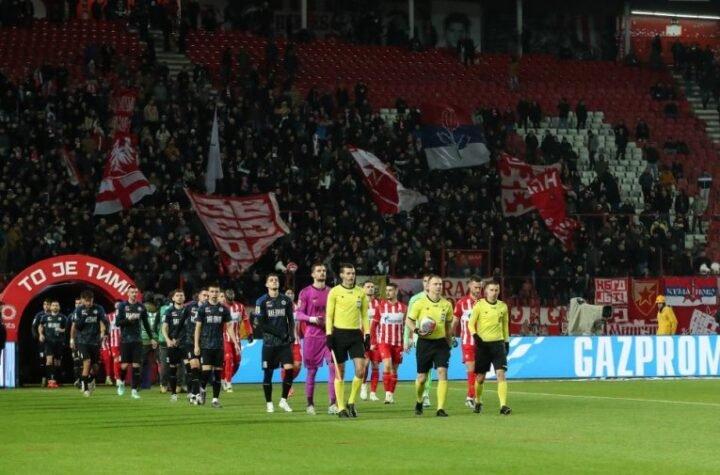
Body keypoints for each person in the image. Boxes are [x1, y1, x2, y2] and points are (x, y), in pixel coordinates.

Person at [325, 263, 370, 418]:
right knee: (340, 372)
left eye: (353, 273)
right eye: (348, 273)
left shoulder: (360, 292)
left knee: (360, 369)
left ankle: (351, 401)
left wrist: (368, 334)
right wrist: (329, 334)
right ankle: (341, 407)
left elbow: (364, 315)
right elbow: (329, 315)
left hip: (355, 335)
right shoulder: (335, 292)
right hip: (338, 334)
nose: (351, 276)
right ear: (342, 275)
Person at [407, 275, 453, 417]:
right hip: (424, 343)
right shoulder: (419, 303)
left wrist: (449, 342)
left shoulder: (447, 305)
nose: (438, 286)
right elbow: (409, 321)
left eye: (440, 284)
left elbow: (448, 325)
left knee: (442, 372)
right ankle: (419, 400)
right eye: (435, 284)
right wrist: (417, 331)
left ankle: (440, 408)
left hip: (440, 343)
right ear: (428, 286)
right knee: (422, 378)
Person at [294, 263, 338, 415]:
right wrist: (313, 319)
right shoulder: (305, 292)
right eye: (319, 271)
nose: (322, 273)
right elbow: (298, 314)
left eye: (324, 271)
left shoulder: (332, 292)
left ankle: (333, 403)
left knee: (333, 368)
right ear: (313, 274)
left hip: (330, 336)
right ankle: (310, 403)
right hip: (312, 337)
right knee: (312, 371)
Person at [469, 280, 511, 415]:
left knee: (501, 374)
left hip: (498, 344)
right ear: (486, 291)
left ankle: (503, 405)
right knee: (480, 378)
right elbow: (471, 324)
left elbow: (505, 326)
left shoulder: (503, 307)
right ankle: (479, 400)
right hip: (483, 345)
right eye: (492, 290)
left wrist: (506, 342)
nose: (494, 293)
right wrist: (476, 336)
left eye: (496, 290)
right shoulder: (479, 305)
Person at [194, 284, 240, 409]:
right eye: (212, 291)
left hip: (219, 345)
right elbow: (198, 328)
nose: (214, 294)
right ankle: (202, 390)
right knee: (206, 372)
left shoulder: (223, 309)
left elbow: (229, 327)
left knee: (218, 373)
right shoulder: (203, 309)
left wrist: (235, 343)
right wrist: (196, 345)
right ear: (208, 293)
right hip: (205, 344)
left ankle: (215, 400)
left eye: (216, 292)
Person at [255, 274, 296, 413]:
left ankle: (284, 400)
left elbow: (290, 319)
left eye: (276, 280)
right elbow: (261, 324)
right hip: (269, 344)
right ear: (266, 284)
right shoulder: (261, 301)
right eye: (271, 280)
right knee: (268, 374)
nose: (274, 282)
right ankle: (269, 403)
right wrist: (280, 333)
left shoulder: (286, 300)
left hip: (284, 343)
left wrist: (292, 334)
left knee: (290, 369)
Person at [116, 286, 156, 399]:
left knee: (136, 365)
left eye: (135, 292)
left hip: (138, 340)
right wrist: (128, 320)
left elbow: (146, 323)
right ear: (127, 293)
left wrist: (152, 337)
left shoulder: (141, 307)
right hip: (125, 340)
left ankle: (134, 390)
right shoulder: (122, 306)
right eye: (132, 292)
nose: (134, 294)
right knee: (124, 366)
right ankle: (122, 383)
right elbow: (118, 322)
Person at [370, 282, 406, 404]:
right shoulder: (380, 307)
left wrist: (409, 340)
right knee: (387, 366)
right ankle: (387, 394)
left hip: (398, 343)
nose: (388, 292)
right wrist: (373, 341)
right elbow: (373, 325)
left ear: (396, 291)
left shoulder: (404, 308)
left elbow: (408, 326)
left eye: (390, 290)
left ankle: (390, 394)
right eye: (387, 290)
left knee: (394, 370)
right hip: (384, 342)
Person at [451, 275, 483, 408]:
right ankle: (471, 397)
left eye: (480, 287)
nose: (478, 290)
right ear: (469, 286)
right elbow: (455, 321)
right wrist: (451, 336)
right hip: (467, 341)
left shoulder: (485, 302)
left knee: (480, 373)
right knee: (471, 368)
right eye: (475, 287)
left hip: (483, 343)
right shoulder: (461, 303)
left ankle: (471, 395)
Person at [71, 290, 109, 397]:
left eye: (91, 300)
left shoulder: (99, 309)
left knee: (96, 368)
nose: (89, 303)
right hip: (82, 341)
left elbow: (102, 322)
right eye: (87, 301)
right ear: (83, 300)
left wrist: (103, 333)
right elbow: (77, 326)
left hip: (95, 341)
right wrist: (72, 339)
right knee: (87, 362)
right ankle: (85, 388)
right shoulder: (78, 310)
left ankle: (90, 379)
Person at [403, 274, 433, 407]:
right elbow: (409, 321)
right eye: (425, 281)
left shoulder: (438, 300)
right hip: (418, 338)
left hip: (434, 338)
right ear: (423, 283)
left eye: (429, 281)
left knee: (430, 368)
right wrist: (406, 340)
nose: (427, 284)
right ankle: (421, 393)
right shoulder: (415, 299)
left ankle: (426, 394)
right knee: (423, 369)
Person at [177, 288, 208, 404]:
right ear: (199, 296)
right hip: (190, 341)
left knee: (203, 371)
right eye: (204, 295)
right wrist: (175, 336)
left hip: (205, 343)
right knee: (194, 367)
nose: (206, 297)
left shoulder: (210, 309)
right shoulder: (189, 307)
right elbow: (181, 322)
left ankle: (199, 391)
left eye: (207, 296)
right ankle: (194, 394)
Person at [222, 289, 253, 393]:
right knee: (228, 357)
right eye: (228, 298)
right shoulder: (221, 308)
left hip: (237, 338)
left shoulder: (240, 307)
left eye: (232, 298)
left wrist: (250, 333)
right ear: (225, 297)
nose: (230, 300)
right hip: (224, 338)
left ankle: (224, 378)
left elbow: (246, 320)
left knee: (237, 361)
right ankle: (229, 383)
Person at [162, 289, 187, 402]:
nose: (180, 297)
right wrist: (168, 339)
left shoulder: (188, 310)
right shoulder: (168, 311)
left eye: (181, 295)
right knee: (172, 369)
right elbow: (164, 327)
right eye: (177, 295)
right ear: (173, 298)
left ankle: (191, 393)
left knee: (190, 368)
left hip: (186, 343)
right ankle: (173, 393)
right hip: (173, 344)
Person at [38, 300, 67, 388]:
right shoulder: (45, 317)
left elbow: (68, 328)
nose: (55, 307)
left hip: (59, 342)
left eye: (56, 305)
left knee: (58, 362)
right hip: (49, 342)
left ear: (59, 307)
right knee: (49, 360)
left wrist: (62, 330)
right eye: (53, 305)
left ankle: (57, 380)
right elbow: (40, 326)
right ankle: (50, 380)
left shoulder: (63, 318)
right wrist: (41, 334)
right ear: (50, 307)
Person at [360, 280, 381, 402]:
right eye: (368, 286)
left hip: (377, 338)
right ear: (363, 289)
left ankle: (373, 392)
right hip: (363, 338)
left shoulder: (379, 304)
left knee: (375, 365)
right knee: (365, 364)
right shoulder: (359, 303)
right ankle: (363, 386)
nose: (370, 288)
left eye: (372, 286)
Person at [280, 288, 301, 399]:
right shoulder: (280, 307)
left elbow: (302, 323)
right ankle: (288, 386)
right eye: (287, 293)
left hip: (296, 340)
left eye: (292, 293)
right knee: (286, 366)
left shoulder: (298, 308)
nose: (290, 295)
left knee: (298, 365)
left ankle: (289, 381)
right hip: (284, 341)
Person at [32, 299, 51, 386]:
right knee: (42, 360)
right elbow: (33, 327)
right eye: (45, 304)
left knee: (52, 360)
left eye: (48, 304)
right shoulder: (39, 315)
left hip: (53, 342)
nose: (46, 306)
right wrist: (37, 337)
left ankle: (52, 379)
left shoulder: (56, 315)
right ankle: (43, 378)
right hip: (42, 342)